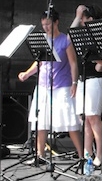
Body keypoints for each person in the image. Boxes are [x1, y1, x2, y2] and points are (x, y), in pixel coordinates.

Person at [17, 9, 83, 163]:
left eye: (48, 24)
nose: (46, 27)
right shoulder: (43, 39)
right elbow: (39, 62)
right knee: (41, 120)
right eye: (43, 25)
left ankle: (82, 155)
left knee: (69, 121)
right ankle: (40, 155)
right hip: (43, 85)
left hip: (62, 84)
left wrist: (74, 83)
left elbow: (73, 63)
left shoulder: (65, 40)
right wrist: (27, 73)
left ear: (56, 22)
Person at [70, 4, 102, 167]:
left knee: (93, 117)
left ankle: (100, 152)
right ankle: (87, 153)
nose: (82, 21)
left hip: (95, 79)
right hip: (83, 79)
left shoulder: (99, 35)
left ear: (91, 19)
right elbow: (68, 38)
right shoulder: (82, 36)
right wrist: (77, 17)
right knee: (84, 118)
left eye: (84, 18)